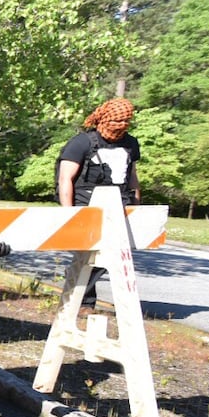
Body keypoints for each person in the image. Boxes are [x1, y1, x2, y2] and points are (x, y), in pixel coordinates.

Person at [57, 98, 141, 309]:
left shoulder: (131, 144)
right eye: (117, 120)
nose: (121, 124)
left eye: (125, 120)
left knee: (110, 256)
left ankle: (85, 300)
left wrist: (136, 206)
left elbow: (132, 175)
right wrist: (68, 214)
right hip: (86, 207)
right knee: (89, 256)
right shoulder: (81, 142)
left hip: (118, 206)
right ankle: (83, 302)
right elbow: (65, 178)